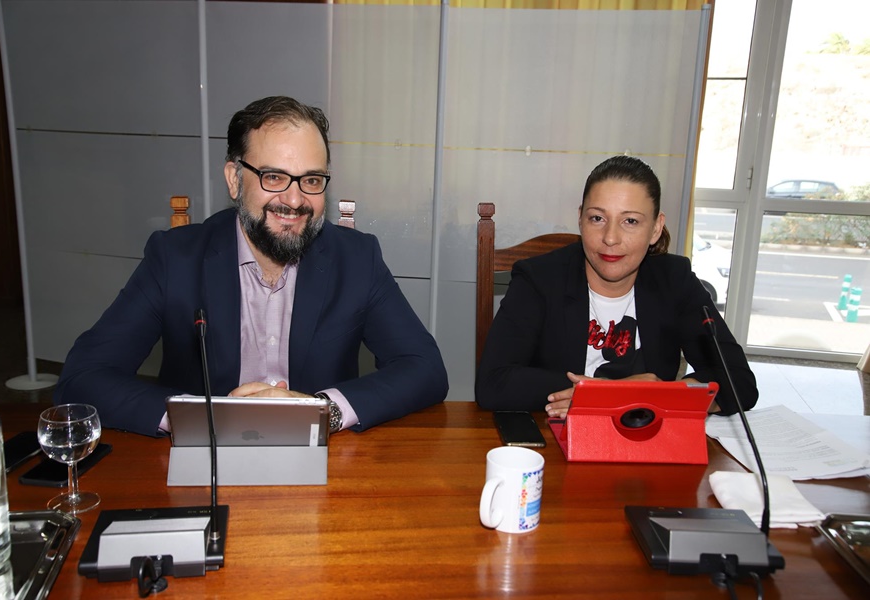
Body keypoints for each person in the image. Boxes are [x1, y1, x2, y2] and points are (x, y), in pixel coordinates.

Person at [55, 95, 448, 437]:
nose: (294, 200)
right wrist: (196, 418)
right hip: (202, 457)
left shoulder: (357, 259)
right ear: (234, 179)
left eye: (312, 180)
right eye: (274, 177)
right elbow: (82, 377)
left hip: (323, 460)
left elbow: (424, 368)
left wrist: (323, 411)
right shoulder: (176, 259)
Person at [475, 155, 757, 417]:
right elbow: (492, 383)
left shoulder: (674, 280)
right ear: (580, 219)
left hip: (642, 438)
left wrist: (656, 396)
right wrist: (605, 394)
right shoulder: (539, 278)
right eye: (597, 218)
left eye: (630, 221)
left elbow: (740, 382)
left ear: (655, 228)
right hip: (557, 439)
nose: (610, 238)